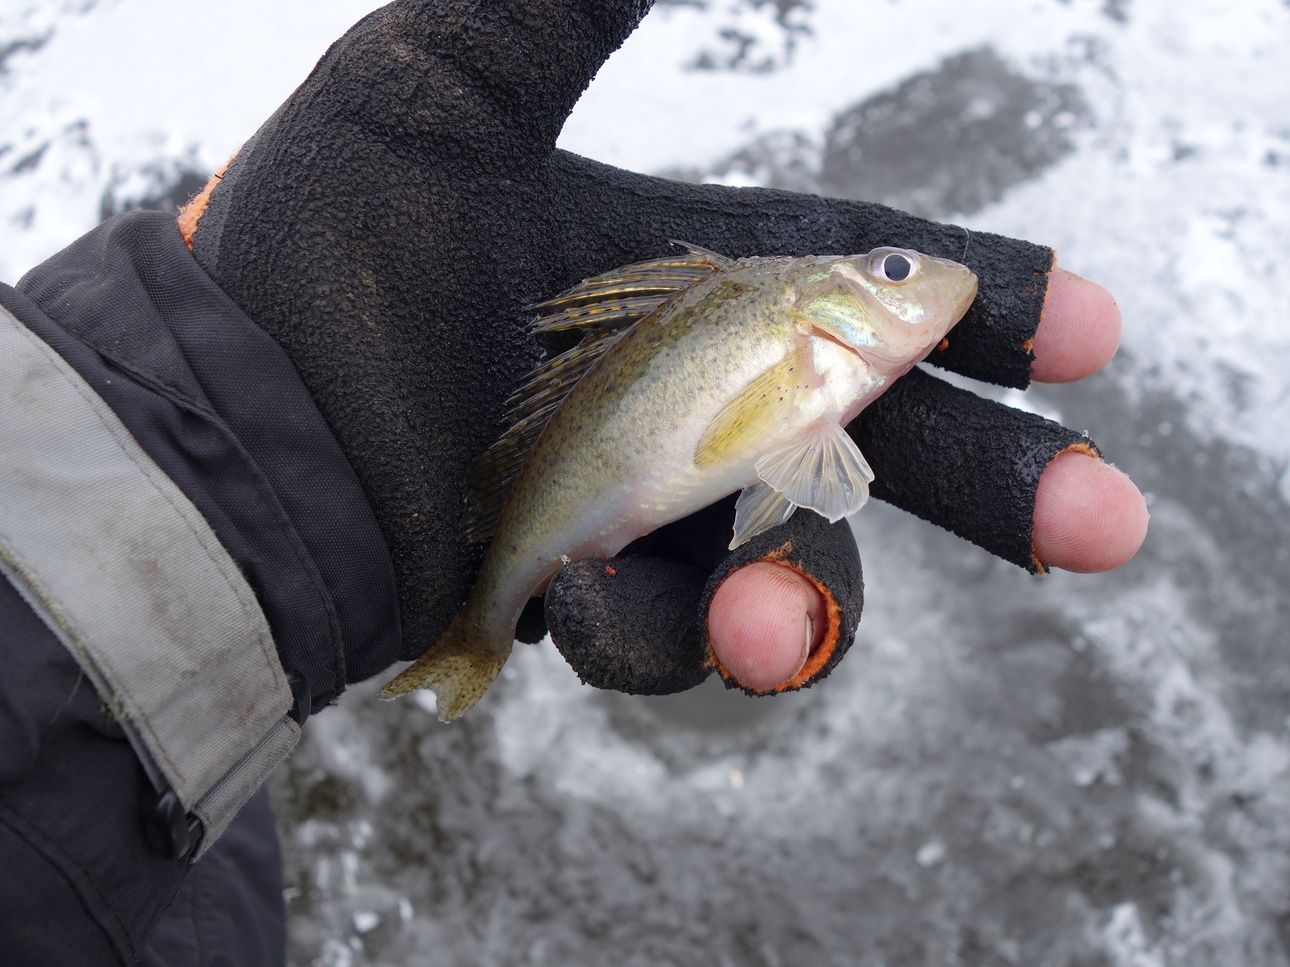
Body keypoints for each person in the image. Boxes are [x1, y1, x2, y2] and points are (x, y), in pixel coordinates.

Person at [0, 2, 1147, 964]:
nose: (916, 280)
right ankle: (476, 631)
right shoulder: (800, 329)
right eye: (889, 272)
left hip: (146, 835)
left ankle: (469, 630)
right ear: (832, 303)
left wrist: (231, 430)